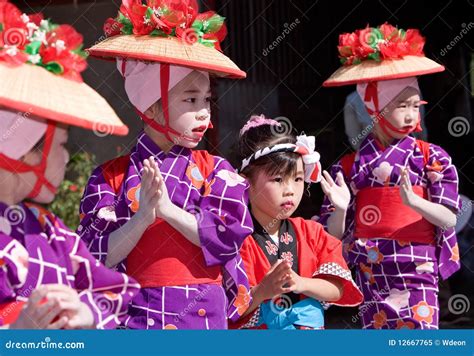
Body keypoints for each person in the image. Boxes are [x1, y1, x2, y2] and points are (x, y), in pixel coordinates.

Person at [78, 0, 253, 329]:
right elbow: (94, 256)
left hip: (204, 313)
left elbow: (228, 239)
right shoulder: (109, 177)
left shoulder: (217, 170)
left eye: (207, 100)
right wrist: (142, 218)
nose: (204, 112)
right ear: (152, 108)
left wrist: (168, 210)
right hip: (137, 314)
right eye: (190, 99)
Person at [0, 0, 138, 329]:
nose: (66, 157)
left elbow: (118, 291)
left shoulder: (52, 231)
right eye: (60, 145)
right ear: (22, 152)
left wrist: (88, 313)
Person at [319, 23, 461, 329]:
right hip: (371, 270)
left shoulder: (432, 157)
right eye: (402, 106)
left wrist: (414, 203)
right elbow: (332, 235)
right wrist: (342, 209)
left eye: (415, 105)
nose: (412, 115)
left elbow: (449, 218)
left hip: (418, 267)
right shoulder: (348, 167)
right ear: (375, 108)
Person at [230, 115, 362, 329]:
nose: (290, 189)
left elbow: (337, 288)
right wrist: (262, 292)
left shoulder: (311, 231)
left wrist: (301, 283)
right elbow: (227, 308)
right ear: (247, 182)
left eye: (298, 178)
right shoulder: (235, 239)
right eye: (278, 179)